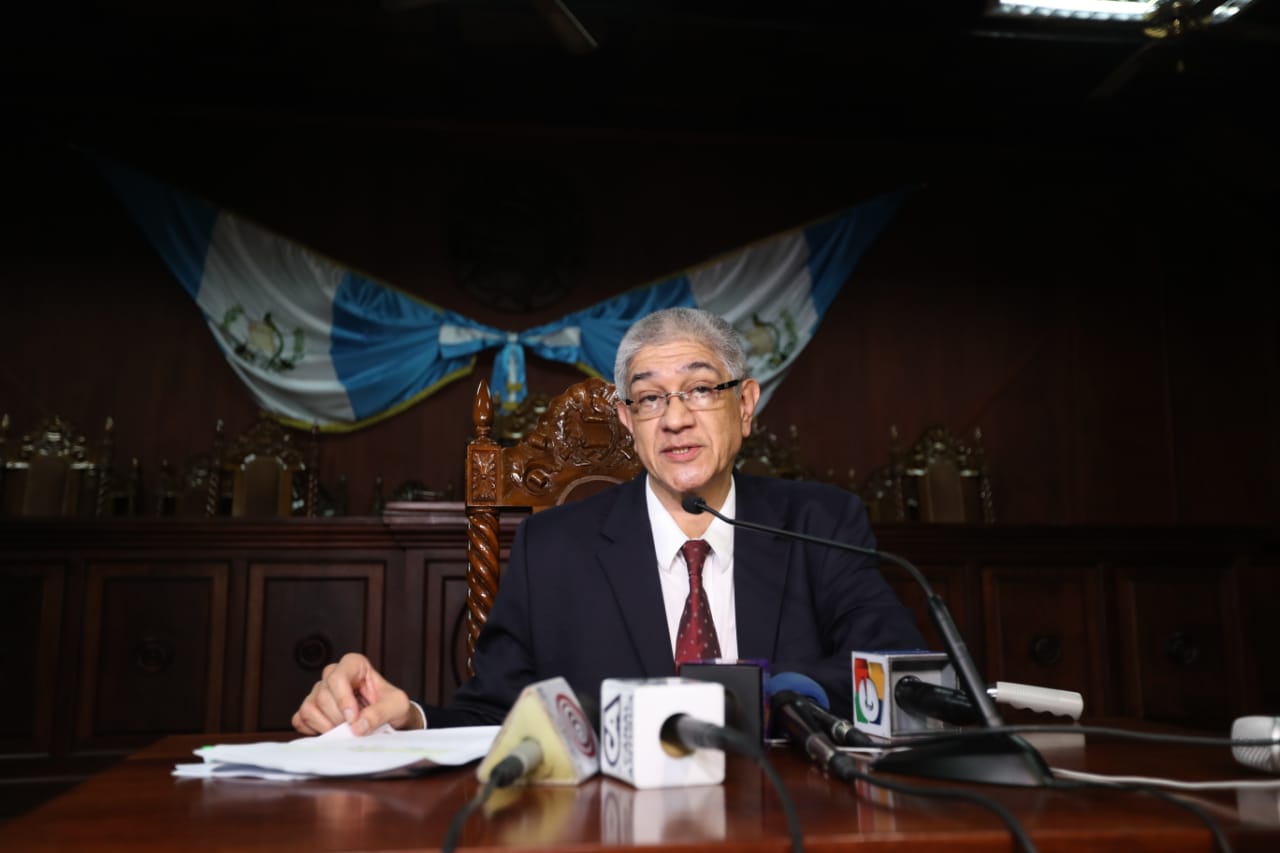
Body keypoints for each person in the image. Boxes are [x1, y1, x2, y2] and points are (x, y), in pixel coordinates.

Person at [292, 306, 924, 735]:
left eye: (701, 389)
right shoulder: (552, 548)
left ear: (746, 404)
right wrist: (407, 719)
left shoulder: (817, 522)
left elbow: (899, 668)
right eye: (650, 398)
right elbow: (500, 715)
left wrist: (760, 696)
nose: (675, 418)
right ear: (628, 421)